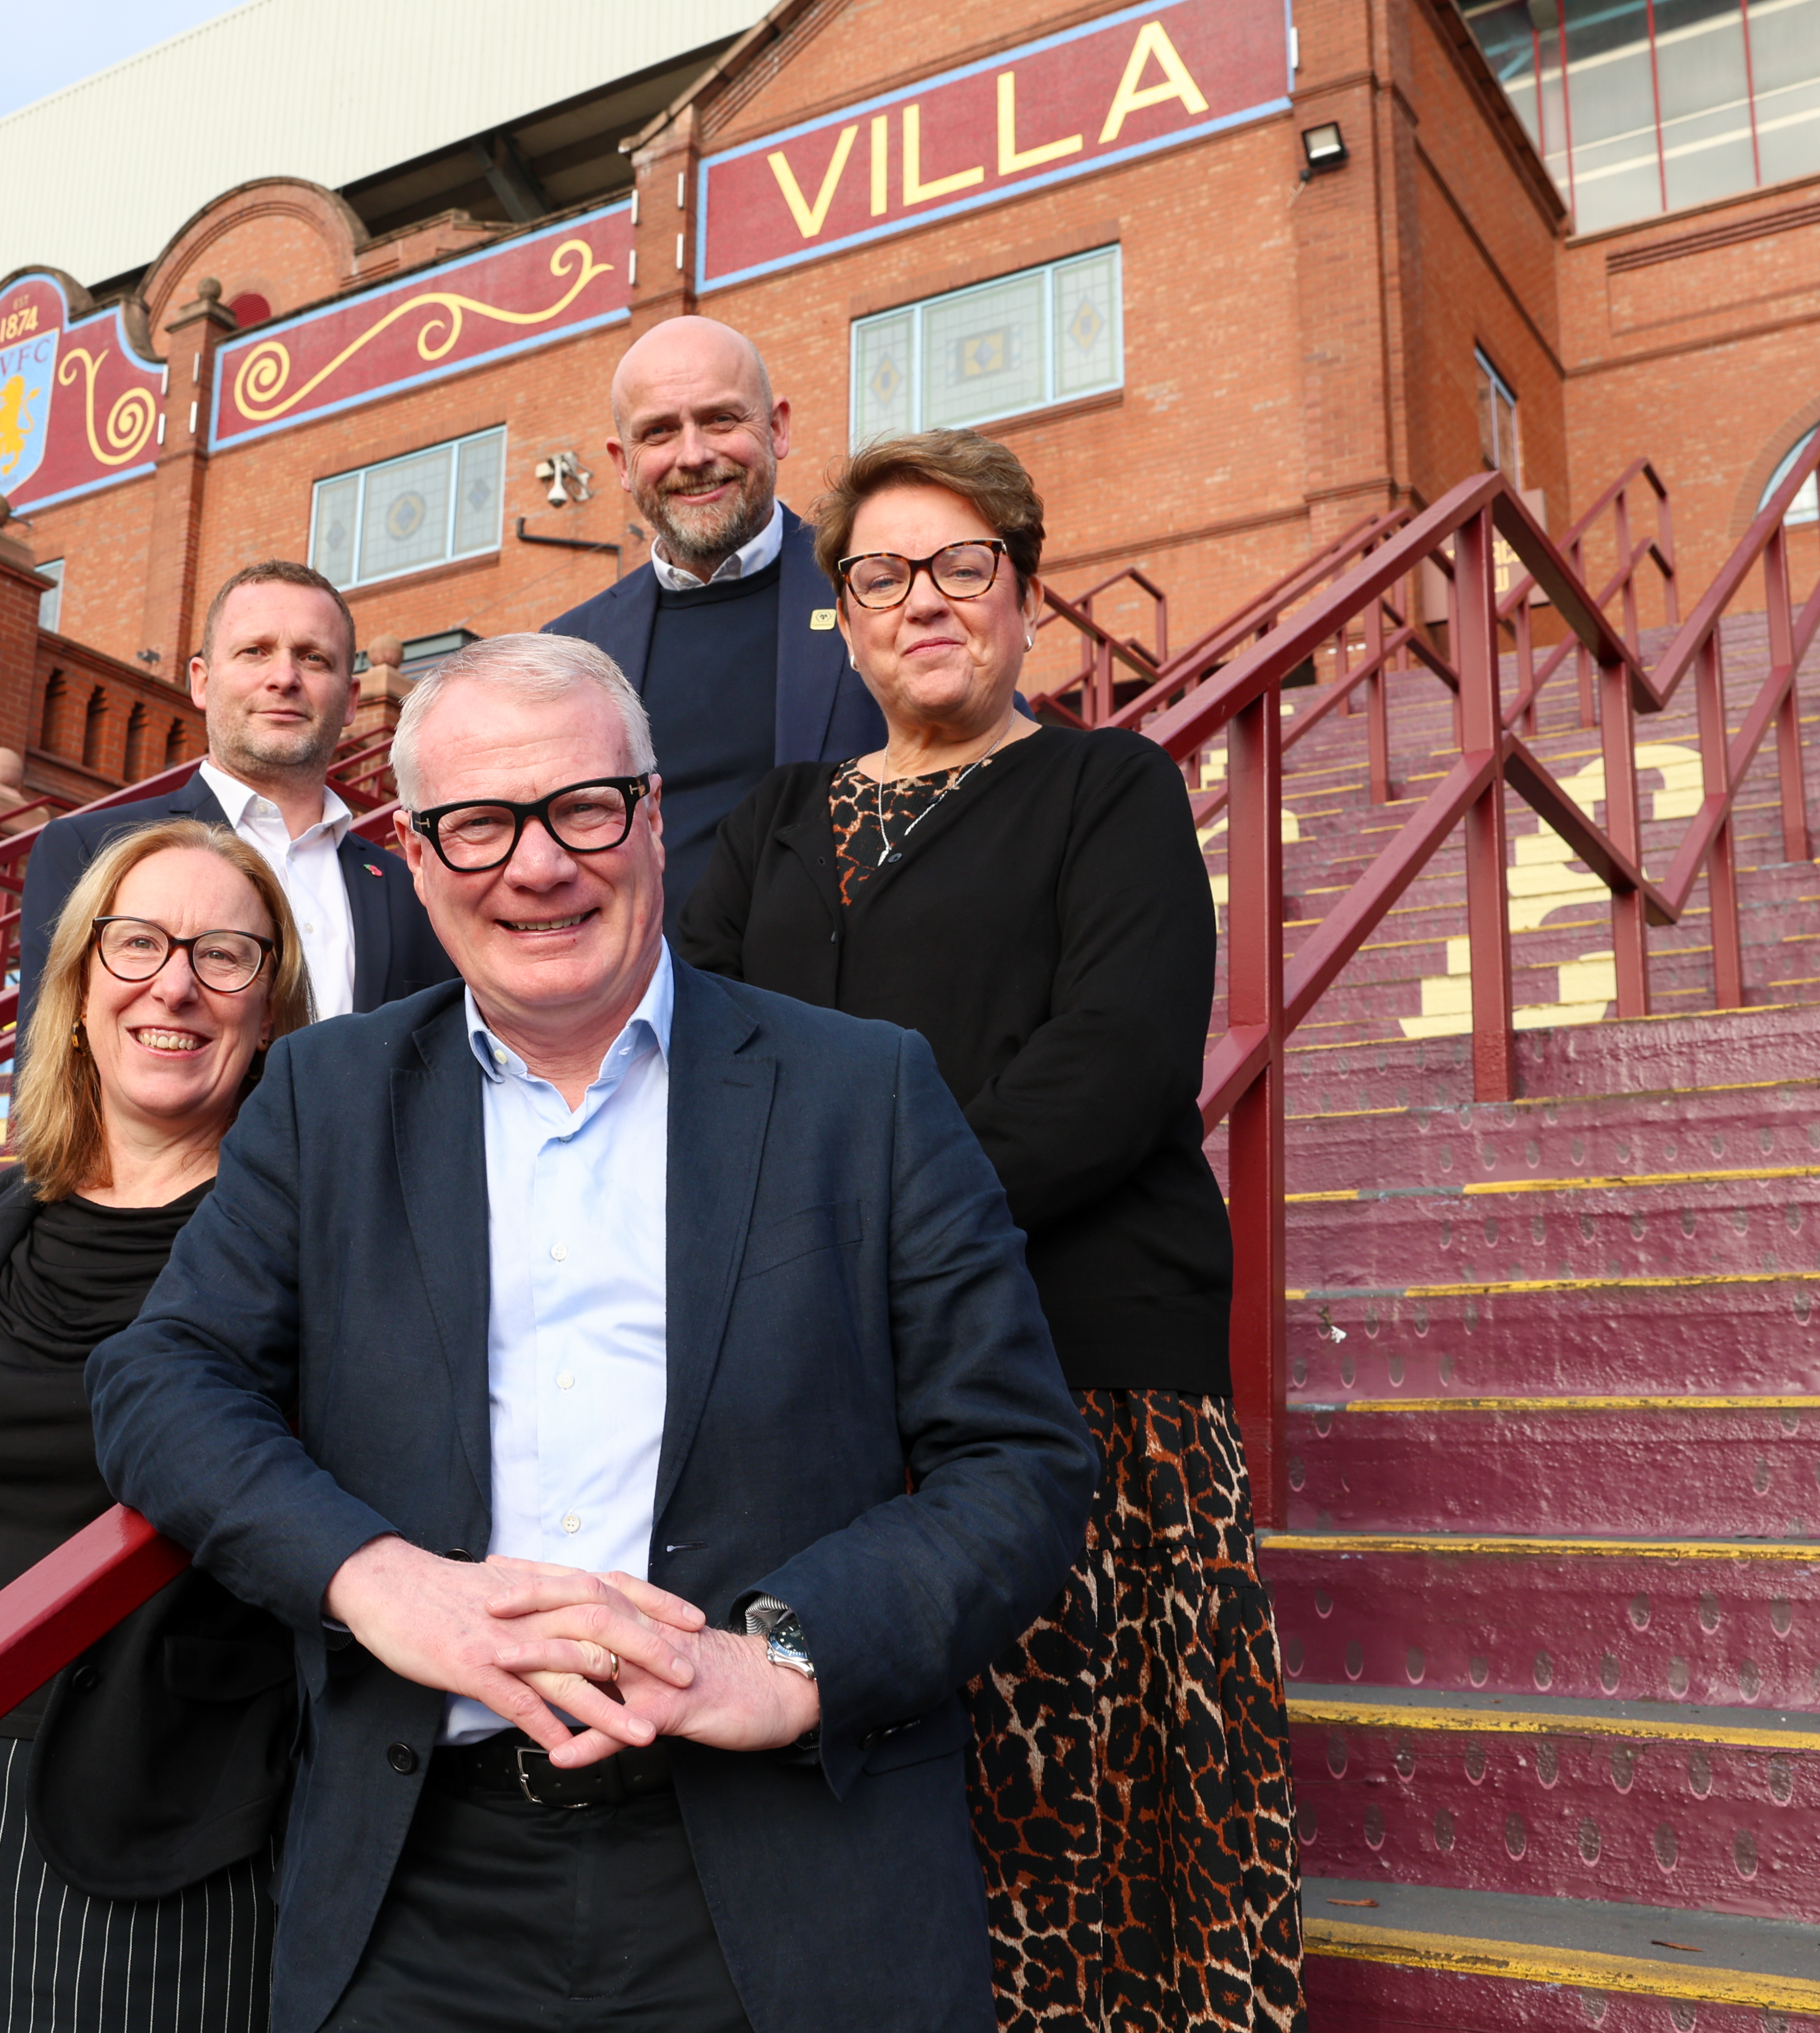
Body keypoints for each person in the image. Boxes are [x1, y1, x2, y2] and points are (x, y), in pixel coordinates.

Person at [87, 633, 1100, 2033]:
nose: (539, 866)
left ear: (655, 813)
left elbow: (1021, 1466)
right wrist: (377, 1581)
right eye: (479, 824)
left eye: (582, 807)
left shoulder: (861, 1092)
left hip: (785, 1869)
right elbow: (160, 1380)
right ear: (418, 855)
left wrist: (782, 1663)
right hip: (415, 1881)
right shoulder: (328, 1096)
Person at [676, 428, 1305, 2031]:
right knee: (873, 1838)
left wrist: (860, 1249)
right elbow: (682, 1060)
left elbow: (1108, 1072)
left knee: (1084, 1832)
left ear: (1023, 596)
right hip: (821, 1396)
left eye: (966, 565)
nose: (924, 601)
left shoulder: (1109, 786)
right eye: (881, 574)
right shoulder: (764, 828)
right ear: (843, 615)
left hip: (1077, 1379)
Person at [0, 819, 313, 2032]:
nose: (173, 984)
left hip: (152, 1802)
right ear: (80, 985)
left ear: (270, 1010)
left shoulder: (291, 1235)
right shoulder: (1, 1212)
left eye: (223, 956)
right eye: (136, 945)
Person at [18, 558, 452, 1031]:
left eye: (313, 658)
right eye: (254, 652)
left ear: (351, 700)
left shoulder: (414, 888)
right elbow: (50, 1067)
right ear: (201, 681)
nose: (285, 678)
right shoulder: (92, 850)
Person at [546, 317, 884, 903]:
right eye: (658, 432)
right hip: (650, 991)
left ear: (777, 428)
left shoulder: (879, 588)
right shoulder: (570, 651)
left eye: (721, 420)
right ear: (622, 464)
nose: (694, 455)